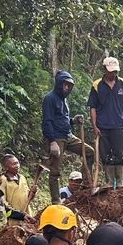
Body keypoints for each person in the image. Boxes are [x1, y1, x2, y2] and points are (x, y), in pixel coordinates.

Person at [87, 57, 123, 188]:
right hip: (102, 126)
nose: (113, 74)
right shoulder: (97, 85)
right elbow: (92, 107)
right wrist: (94, 126)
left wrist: (122, 110)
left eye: (115, 71)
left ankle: (120, 181)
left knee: (119, 153)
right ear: (104, 69)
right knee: (105, 155)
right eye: (111, 71)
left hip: (118, 125)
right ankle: (109, 181)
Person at [42, 70, 89, 200]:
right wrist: (52, 142)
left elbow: (63, 120)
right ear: (59, 84)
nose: (67, 88)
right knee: (55, 171)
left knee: (89, 152)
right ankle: (56, 200)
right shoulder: (50, 98)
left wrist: (74, 121)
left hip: (68, 135)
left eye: (69, 86)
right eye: (65, 84)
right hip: (56, 137)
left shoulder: (64, 100)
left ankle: (86, 186)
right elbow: (47, 122)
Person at [0, 154, 34, 223]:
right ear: (6, 167)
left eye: (18, 163)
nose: (17, 166)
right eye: (14, 164)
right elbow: (3, 203)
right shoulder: (3, 180)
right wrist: (18, 214)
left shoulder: (22, 178)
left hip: (27, 217)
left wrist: (33, 193)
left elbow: (28, 198)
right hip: (13, 219)